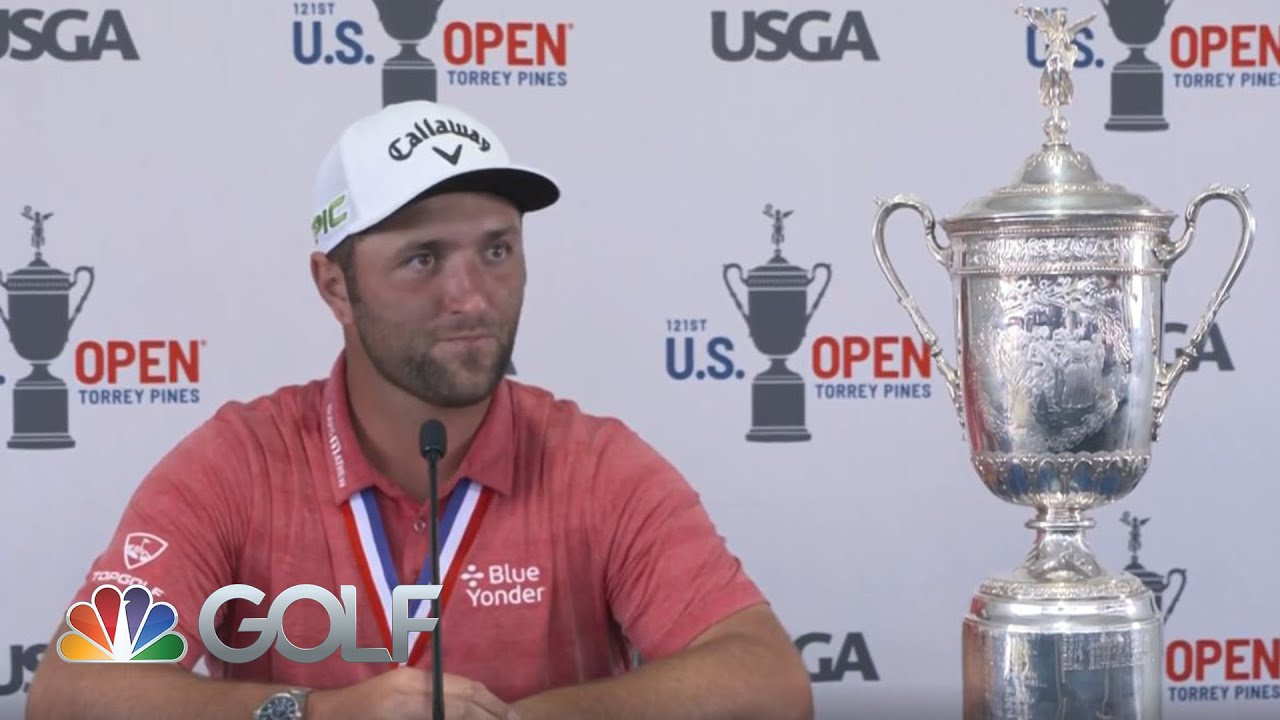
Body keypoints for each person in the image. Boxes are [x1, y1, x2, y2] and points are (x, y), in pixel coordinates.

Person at [25, 100, 814, 720]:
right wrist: (318, 714)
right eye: (423, 258)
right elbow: (72, 693)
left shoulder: (595, 464)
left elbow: (768, 682)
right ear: (335, 286)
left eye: (496, 250)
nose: (471, 296)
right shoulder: (238, 463)